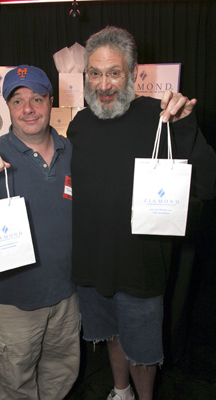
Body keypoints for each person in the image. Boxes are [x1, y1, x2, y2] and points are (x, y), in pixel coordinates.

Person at [67, 26, 216, 400]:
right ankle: (121, 392)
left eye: (114, 72)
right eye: (95, 73)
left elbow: (207, 184)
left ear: (133, 74)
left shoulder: (159, 116)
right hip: (91, 263)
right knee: (113, 335)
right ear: (86, 75)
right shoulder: (79, 125)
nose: (104, 84)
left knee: (144, 352)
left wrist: (184, 125)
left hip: (141, 265)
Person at [0, 65, 81, 400]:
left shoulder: (72, 152)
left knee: (60, 377)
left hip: (67, 297)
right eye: (18, 100)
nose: (28, 109)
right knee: (15, 385)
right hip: (13, 305)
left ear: (51, 101)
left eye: (37, 98)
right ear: (7, 107)